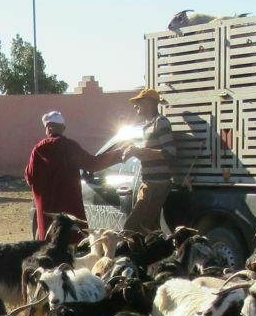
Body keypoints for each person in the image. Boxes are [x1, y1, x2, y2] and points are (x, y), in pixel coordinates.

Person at [24, 110, 119, 242]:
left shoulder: (38, 149)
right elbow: (93, 164)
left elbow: (30, 177)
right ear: (63, 128)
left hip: (47, 210)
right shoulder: (71, 147)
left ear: (48, 128)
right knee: (71, 243)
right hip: (70, 208)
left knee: (49, 244)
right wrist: (119, 155)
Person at [122, 88, 180, 235]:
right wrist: (134, 152)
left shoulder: (160, 123)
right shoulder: (148, 126)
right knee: (149, 228)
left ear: (149, 103)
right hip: (150, 183)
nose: (135, 106)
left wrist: (139, 151)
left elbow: (170, 153)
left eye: (138, 102)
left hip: (156, 184)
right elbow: (150, 155)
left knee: (131, 227)